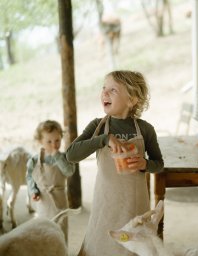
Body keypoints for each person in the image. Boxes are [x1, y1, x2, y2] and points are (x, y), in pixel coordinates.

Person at [66, 70, 164, 256]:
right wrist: (104, 139)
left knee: (133, 244)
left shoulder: (145, 129)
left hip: (134, 203)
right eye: (104, 88)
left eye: (113, 90)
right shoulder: (98, 126)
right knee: (102, 243)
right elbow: (71, 155)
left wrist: (144, 164)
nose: (104, 93)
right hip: (105, 201)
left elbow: (158, 163)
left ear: (132, 100)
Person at [26, 120, 75, 243]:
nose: (54, 145)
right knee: (44, 229)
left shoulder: (65, 157)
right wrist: (33, 190)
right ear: (40, 142)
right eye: (49, 141)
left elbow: (69, 172)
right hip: (43, 199)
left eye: (57, 140)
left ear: (61, 138)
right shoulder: (34, 160)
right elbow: (30, 177)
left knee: (61, 227)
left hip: (60, 199)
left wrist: (57, 156)